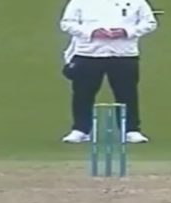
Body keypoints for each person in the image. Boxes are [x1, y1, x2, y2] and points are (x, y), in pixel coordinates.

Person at [59, 0, 158, 144]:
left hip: (124, 54)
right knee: (83, 93)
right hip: (88, 53)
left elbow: (150, 23)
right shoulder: (79, 1)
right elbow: (66, 24)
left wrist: (126, 32)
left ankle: (131, 130)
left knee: (127, 93)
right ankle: (81, 129)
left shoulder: (137, 2)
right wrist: (92, 32)